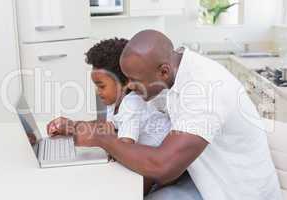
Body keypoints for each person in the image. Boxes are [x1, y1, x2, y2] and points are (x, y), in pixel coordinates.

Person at [72, 30, 283, 200]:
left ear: (163, 72)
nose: (129, 87)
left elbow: (163, 166)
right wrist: (77, 127)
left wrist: (103, 140)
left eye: (134, 80)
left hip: (235, 191)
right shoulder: (171, 71)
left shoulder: (205, 90)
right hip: (203, 176)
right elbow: (126, 119)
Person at [47, 38, 171, 194]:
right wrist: (72, 126)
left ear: (125, 82)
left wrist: (103, 138)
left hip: (159, 161)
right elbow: (108, 127)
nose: (98, 92)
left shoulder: (131, 104)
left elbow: (125, 147)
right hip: (143, 150)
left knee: (124, 186)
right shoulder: (115, 101)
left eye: (101, 86)